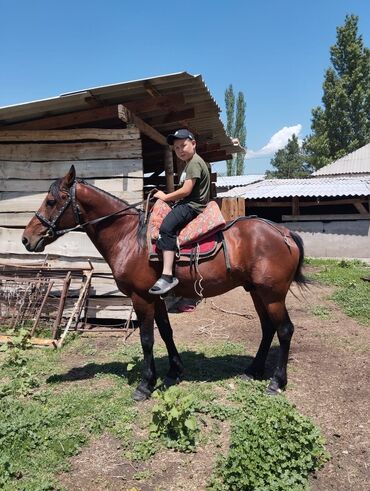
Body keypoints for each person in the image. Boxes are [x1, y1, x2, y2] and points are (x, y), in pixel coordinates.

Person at [149, 129, 211, 295]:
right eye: (176, 148)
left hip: (191, 206)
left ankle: (167, 275)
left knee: (166, 228)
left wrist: (166, 196)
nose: (180, 150)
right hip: (188, 204)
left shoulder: (194, 163)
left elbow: (186, 190)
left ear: (193, 143)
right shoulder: (190, 163)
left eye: (183, 145)